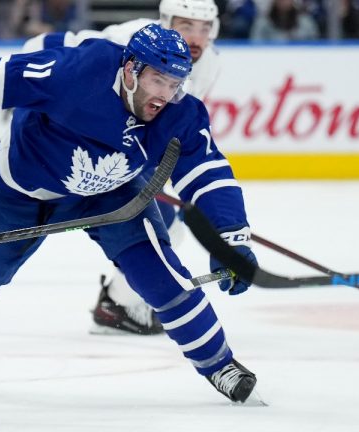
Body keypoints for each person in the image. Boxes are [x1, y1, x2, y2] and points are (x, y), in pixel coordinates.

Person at [0, 23, 259, 403]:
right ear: (130, 70)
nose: (166, 94)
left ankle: (218, 363)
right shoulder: (75, 71)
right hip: (24, 193)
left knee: (163, 279)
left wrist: (230, 238)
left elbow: (208, 171)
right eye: (158, 80)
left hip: (113, 194)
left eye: (175, 83)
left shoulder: (180, 112)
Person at [23, 0, 226, 336]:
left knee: (167, 224)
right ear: (165, 22)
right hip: (78, 145)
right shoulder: (129, 39)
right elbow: (40, 47)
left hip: (129, 149)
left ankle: (117, 303)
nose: (196, 37)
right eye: (186, 26)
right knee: (159, 222)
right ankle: (116, 304)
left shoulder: (211, 63)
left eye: (204, 28)